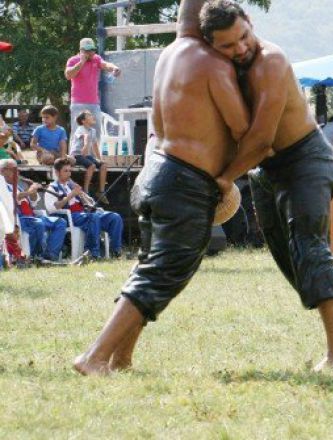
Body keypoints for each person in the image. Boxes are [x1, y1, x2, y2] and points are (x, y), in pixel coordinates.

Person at [72, 0, 252, 376]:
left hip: (154, 174)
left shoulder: (170, 55)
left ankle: (121, 356)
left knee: (149, 268)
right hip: (183, 182)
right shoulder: (210, 61)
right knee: (163, 272)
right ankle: (94, 356)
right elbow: (240, 125)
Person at [204, 0, 333, 371]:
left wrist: (223, 179)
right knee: (295, 264)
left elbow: (261, 140)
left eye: (243, 36)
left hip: (305, 161)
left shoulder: (271, 61)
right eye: (228, 45)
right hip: (266, 173)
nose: (240, 48)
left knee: (313, 253)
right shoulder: (222, 67)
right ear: (212, 46)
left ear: (250, 23)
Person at [49, 158, 123, 258]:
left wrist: (82, 195)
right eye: (65, 171)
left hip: (84, 213)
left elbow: (90, 203)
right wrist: (71, 195)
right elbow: (54, 207)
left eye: (70, 171)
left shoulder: (71, 185)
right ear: (57, 173)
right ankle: (92, 253)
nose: (69, 174)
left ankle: (115, 251)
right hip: (71, 216)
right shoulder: (52, 187)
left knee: (115, 217)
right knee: (93, 217)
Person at [0, 159, 67, 261]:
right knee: (38, 224)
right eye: (13, 170)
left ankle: (50, 255)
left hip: (32, 217)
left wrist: (34, 193)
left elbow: (34, 203)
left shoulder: (18, 186)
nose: (17, 173)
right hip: (19, 219)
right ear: (2, 171)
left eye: (17, 170)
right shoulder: (2, 187)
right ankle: (36, 256)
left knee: (60, 222)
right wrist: (29, 191)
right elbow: (12, 198)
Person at [65, 37, 121, 142]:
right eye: (87, 50)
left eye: (92, 50)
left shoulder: (96, 58)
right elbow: (68, 75)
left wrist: (114, 68)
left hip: (94, 103)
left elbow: (105, 64)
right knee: (77, 132)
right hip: (78, 103)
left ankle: (94, 157)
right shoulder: (73, 60)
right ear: (81, 50)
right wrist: (81, 63)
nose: (90, 53)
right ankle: (75, 157)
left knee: (96, 131)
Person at [70, 110, 109, 202]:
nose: (92, 116)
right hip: (77, 155)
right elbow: (84, 145)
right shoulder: (80, 129)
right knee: (91, 165)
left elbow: (95, 146)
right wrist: (86, 142)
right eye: (89, 115)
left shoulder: (93, 131)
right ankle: (86, 190)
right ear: (83, 121)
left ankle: (101, 191)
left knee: (103, 165)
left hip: (85, 155)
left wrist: (99, 159)